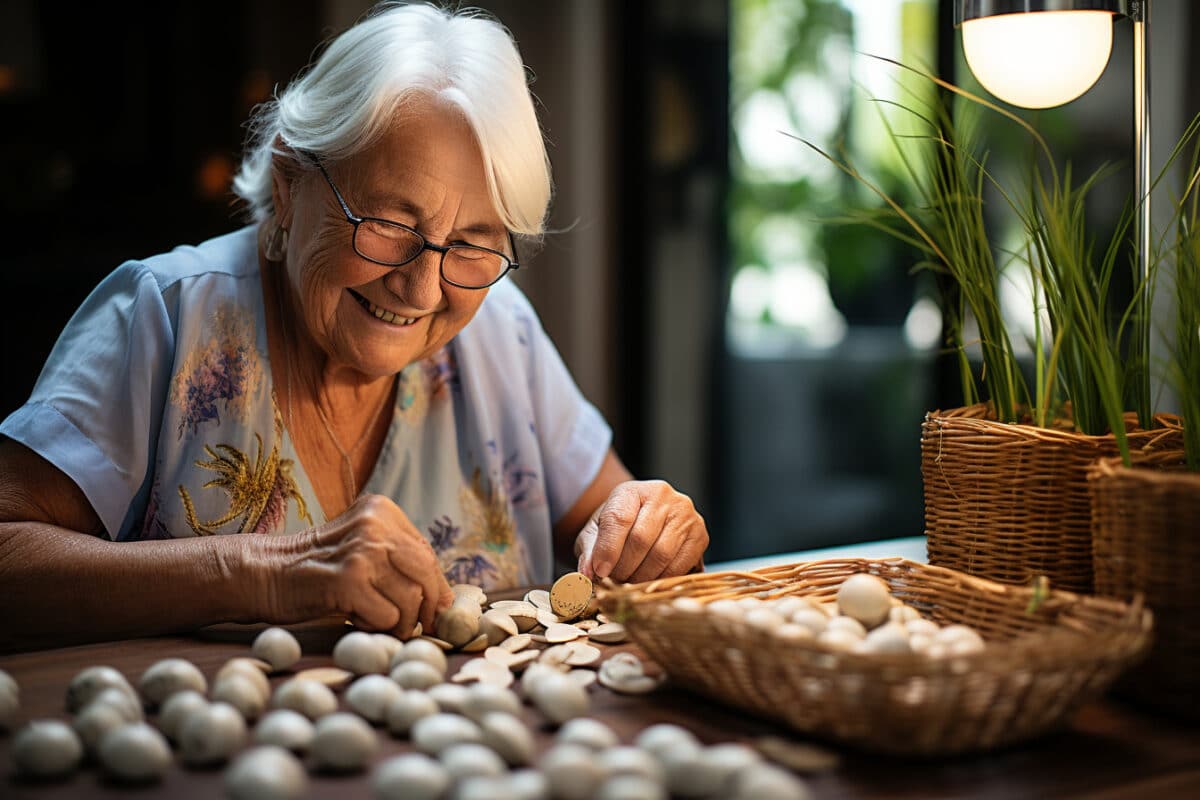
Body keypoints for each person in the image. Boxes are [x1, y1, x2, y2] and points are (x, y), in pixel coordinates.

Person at [0, 2, 707, 650]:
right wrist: (261, 572)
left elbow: (617, 536)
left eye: (471, 244)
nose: (422, 287)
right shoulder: (164, 315)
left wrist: (647, 531)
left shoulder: (501, 334)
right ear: (288, 180)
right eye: (392, 224)